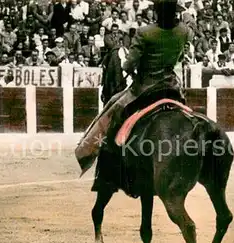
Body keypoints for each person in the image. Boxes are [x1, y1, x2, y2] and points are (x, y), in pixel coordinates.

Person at [75, 0, 193, 176]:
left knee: (114, 108)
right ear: (174, 12)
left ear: (157, 12)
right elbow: (183, 51)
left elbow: (128, 65)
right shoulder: (184, 31)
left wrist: (131, 69)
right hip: (171, 86)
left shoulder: (145, 32)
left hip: (144, 87)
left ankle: (97, 157)